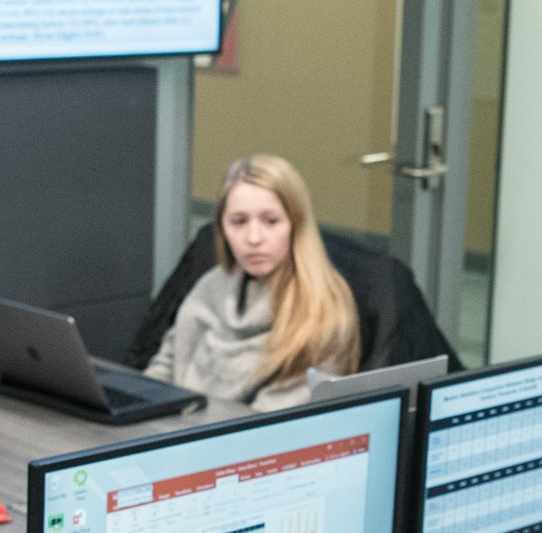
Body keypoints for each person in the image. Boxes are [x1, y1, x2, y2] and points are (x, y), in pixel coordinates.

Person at [138, 153, 454, 408]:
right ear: (222, 228)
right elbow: (160, 372)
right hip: (172, 433)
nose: (253, 237)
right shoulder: (210, 286)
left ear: (296, 225)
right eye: (238, 221)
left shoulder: (320, 312)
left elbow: (273, 428)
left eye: (271, 221)